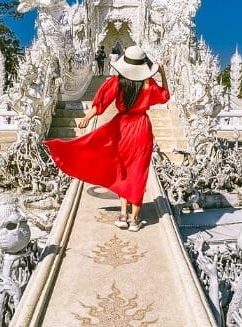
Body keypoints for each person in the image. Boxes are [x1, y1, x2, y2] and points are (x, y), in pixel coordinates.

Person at [44, 45, 170, 231]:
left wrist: (88, 117)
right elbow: (165, 96)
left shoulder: (117, 82)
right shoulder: (148, 84)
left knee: (122, 170)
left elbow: (101, 102)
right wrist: (163, 74)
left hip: (122, 126)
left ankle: (122, 215)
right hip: (141, 128)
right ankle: (134, 220)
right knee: (138, 171)